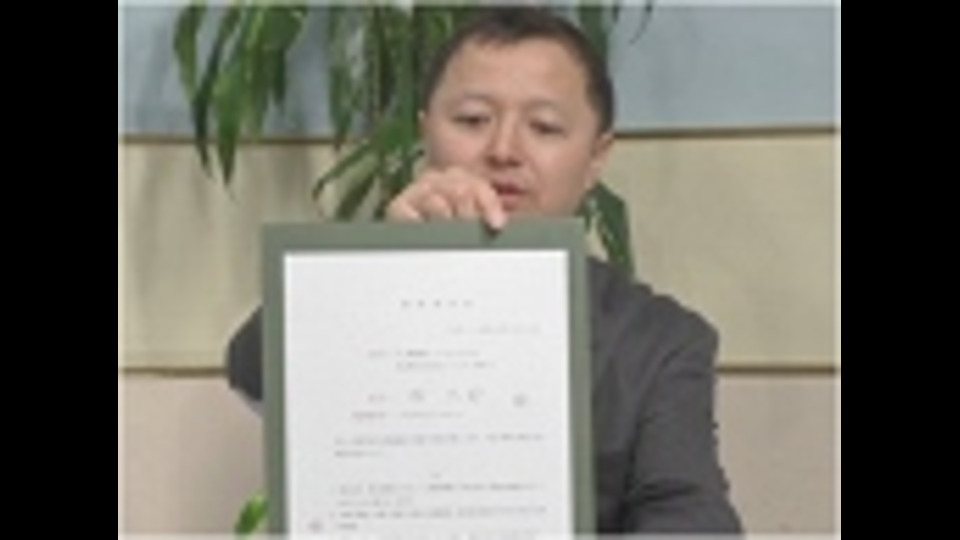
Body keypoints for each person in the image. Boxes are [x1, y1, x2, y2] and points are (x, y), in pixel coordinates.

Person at [226, 6, 742, 535]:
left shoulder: (659, 340)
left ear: (595, 157)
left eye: (544, 127)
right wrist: (383, 262)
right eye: (472, 120)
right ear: (426, 133)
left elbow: (690, 514)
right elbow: (252, 371)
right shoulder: (354, 293)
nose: (503, 151)